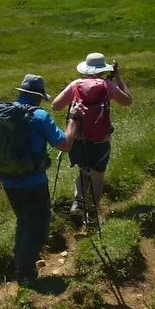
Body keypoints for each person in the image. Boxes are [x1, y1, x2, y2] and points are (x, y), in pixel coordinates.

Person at [0, 75, 81, 285]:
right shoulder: (39, 116)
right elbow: (64, 144)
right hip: (33, 183)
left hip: (8, 180)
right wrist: (73, 120)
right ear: (39, 97)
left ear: (21, 93)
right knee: (39, 227)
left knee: (23, 221)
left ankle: (21, 263)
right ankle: (26, 273)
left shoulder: (2, 113)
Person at [51, 53, 134, 216]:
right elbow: (128, 101)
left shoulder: (75, 85)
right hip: (100, 140)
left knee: (83, 173)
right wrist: (118, 78)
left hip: (77, 138)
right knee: (97, 177)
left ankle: (77, 204)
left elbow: (55, 106)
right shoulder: (107, 85)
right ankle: (93, 211)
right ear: (103, 69)